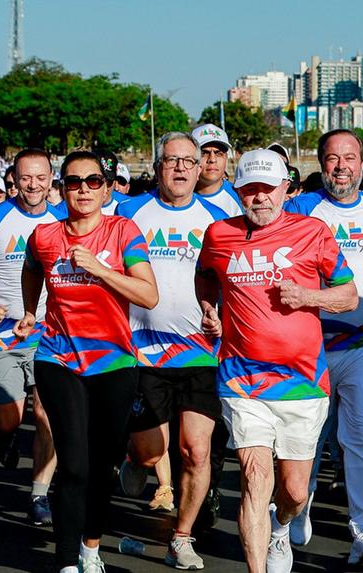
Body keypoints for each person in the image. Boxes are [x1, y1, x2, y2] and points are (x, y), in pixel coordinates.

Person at [196, 149, 358, 573]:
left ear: (286, 189)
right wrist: (209, 309)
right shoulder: (219, 235)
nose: (259, 199)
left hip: (303, 382)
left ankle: (282, 527)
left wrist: (308, 297)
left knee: (294, 490)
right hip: (241, 379)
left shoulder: (313, 232)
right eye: (250, 190)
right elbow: (205, 276)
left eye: (267, 190)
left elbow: (348, 296)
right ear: (238, 191)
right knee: (254, 477)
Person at [13, 151, 158, 573]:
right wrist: (29, 309)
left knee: (102, 465)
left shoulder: (123, 231)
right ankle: (65, 562)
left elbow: (148, 295)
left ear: (107, 188)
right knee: (74, 465)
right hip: (59, 358)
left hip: (113, 364)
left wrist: (100, 270)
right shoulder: (45, 236)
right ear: (62, 189)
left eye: (93, 181)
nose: (84, 190)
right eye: (74, 182)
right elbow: (31, 269)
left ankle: (90, 546)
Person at [285, 130, 363, 565]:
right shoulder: (300, 207)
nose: (341, 167)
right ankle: (296, 507)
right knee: (308, 436)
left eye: (350, 158)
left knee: (360, 436)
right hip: (308, 345)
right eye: (333, 159)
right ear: (321, 164)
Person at [115, 132, 229, 569]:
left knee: (196, 451)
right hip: (141, 353)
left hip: (201, 352)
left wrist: (221, 315)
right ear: (157, 166)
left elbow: (230, 282)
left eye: (188, 161)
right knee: (150, 451)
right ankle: (134, 459)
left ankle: (182, 538)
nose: (180, 168)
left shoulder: (219, 219)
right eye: (170, 161)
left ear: (201, 168)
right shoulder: (129, 213)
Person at [0, 148, 64, 527]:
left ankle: (39, 494)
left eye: (41, 177)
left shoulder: (61, 221)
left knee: (46, 414)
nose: (34, 185)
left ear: (51, 179)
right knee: (10, 418)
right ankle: (3, 436)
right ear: (14, 178)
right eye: (26, 177)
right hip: (3, 336)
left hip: (50, 335)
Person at [191, 123, 244, 216]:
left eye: (218, 153)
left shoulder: (242, 197)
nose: (212, 159)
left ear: (226, 158)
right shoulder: (177, 196)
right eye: (204, 153)